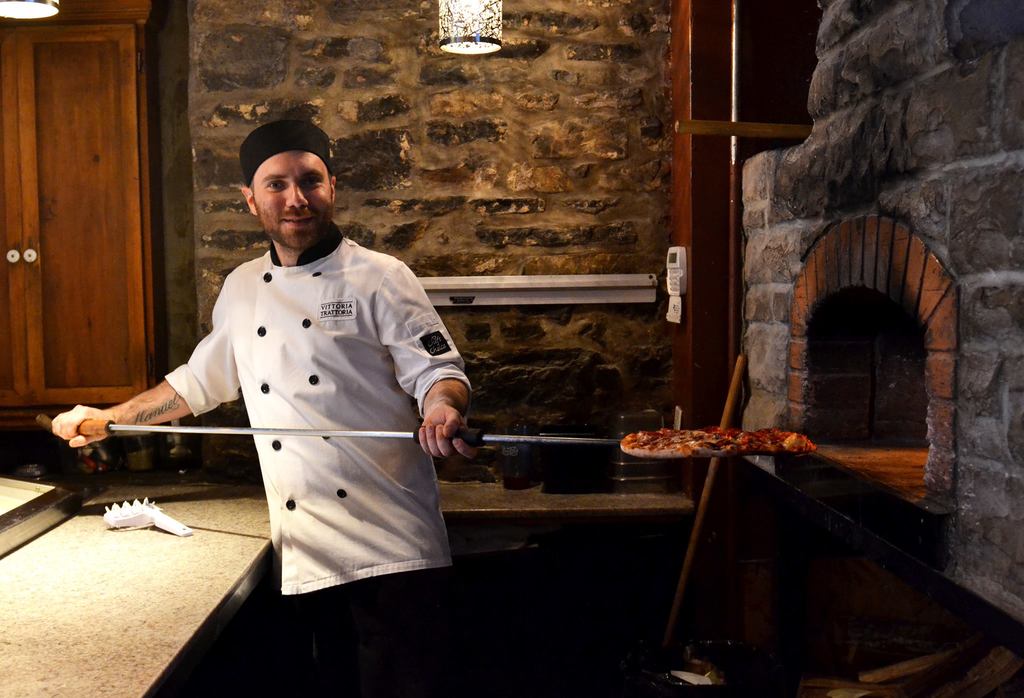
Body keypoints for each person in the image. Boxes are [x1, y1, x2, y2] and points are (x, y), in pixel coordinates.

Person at [50, 119, 475, 697]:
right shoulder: (243, 286)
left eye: (310, 181)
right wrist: (110, 420)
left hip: (395, 551)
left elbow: (437, 371)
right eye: (276, 185)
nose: (296, 198)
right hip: (305, 551)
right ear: (251, 200)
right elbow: (197, 383)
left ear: (332, 187)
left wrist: (442, 407)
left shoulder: (381, 277)